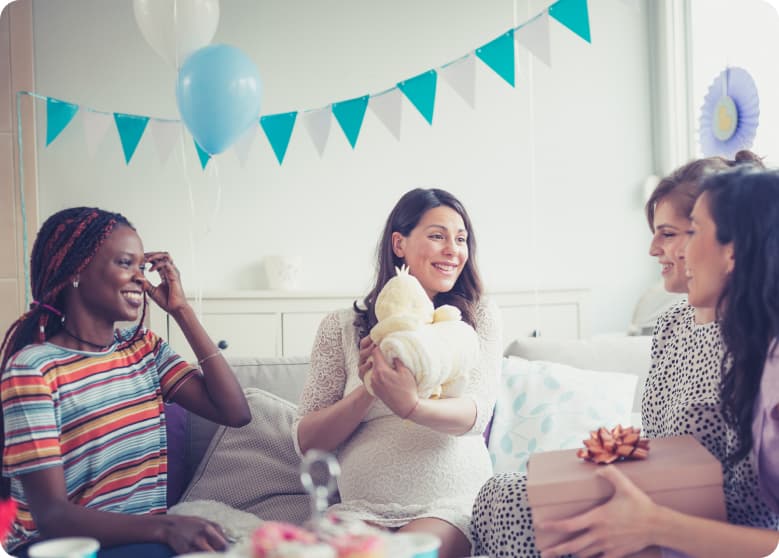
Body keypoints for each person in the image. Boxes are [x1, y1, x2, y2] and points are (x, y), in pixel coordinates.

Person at [470, 151, 778, 557]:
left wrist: (652, 524)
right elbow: (662, 451)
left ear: (733, 247)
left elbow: (762, 526)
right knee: (503, 494)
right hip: (661, 504)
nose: (655, 249)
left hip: (705, 532)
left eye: (681, 232)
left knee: (523, 514)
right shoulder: (672, 326)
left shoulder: (761, 353)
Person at [0, 207, 251, 557]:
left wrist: (181, 310)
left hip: (142, 538)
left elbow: (235, 412)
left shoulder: (142, 348)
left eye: (141, 266)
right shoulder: (32, 370)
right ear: (75, 271)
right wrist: (167, 526)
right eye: (124, 263)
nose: (141, 278)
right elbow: (52, 516)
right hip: (66, 547)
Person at [292, 188, 502, 558]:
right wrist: (370, 388)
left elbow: (475, 414)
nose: (453, 249)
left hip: (447, 505)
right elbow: (308, 442)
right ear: (399, 244)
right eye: (438, 236)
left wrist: (411, 405)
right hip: (359, 510)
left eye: (461, 238)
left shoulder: (475, 318)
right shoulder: (341, 328)